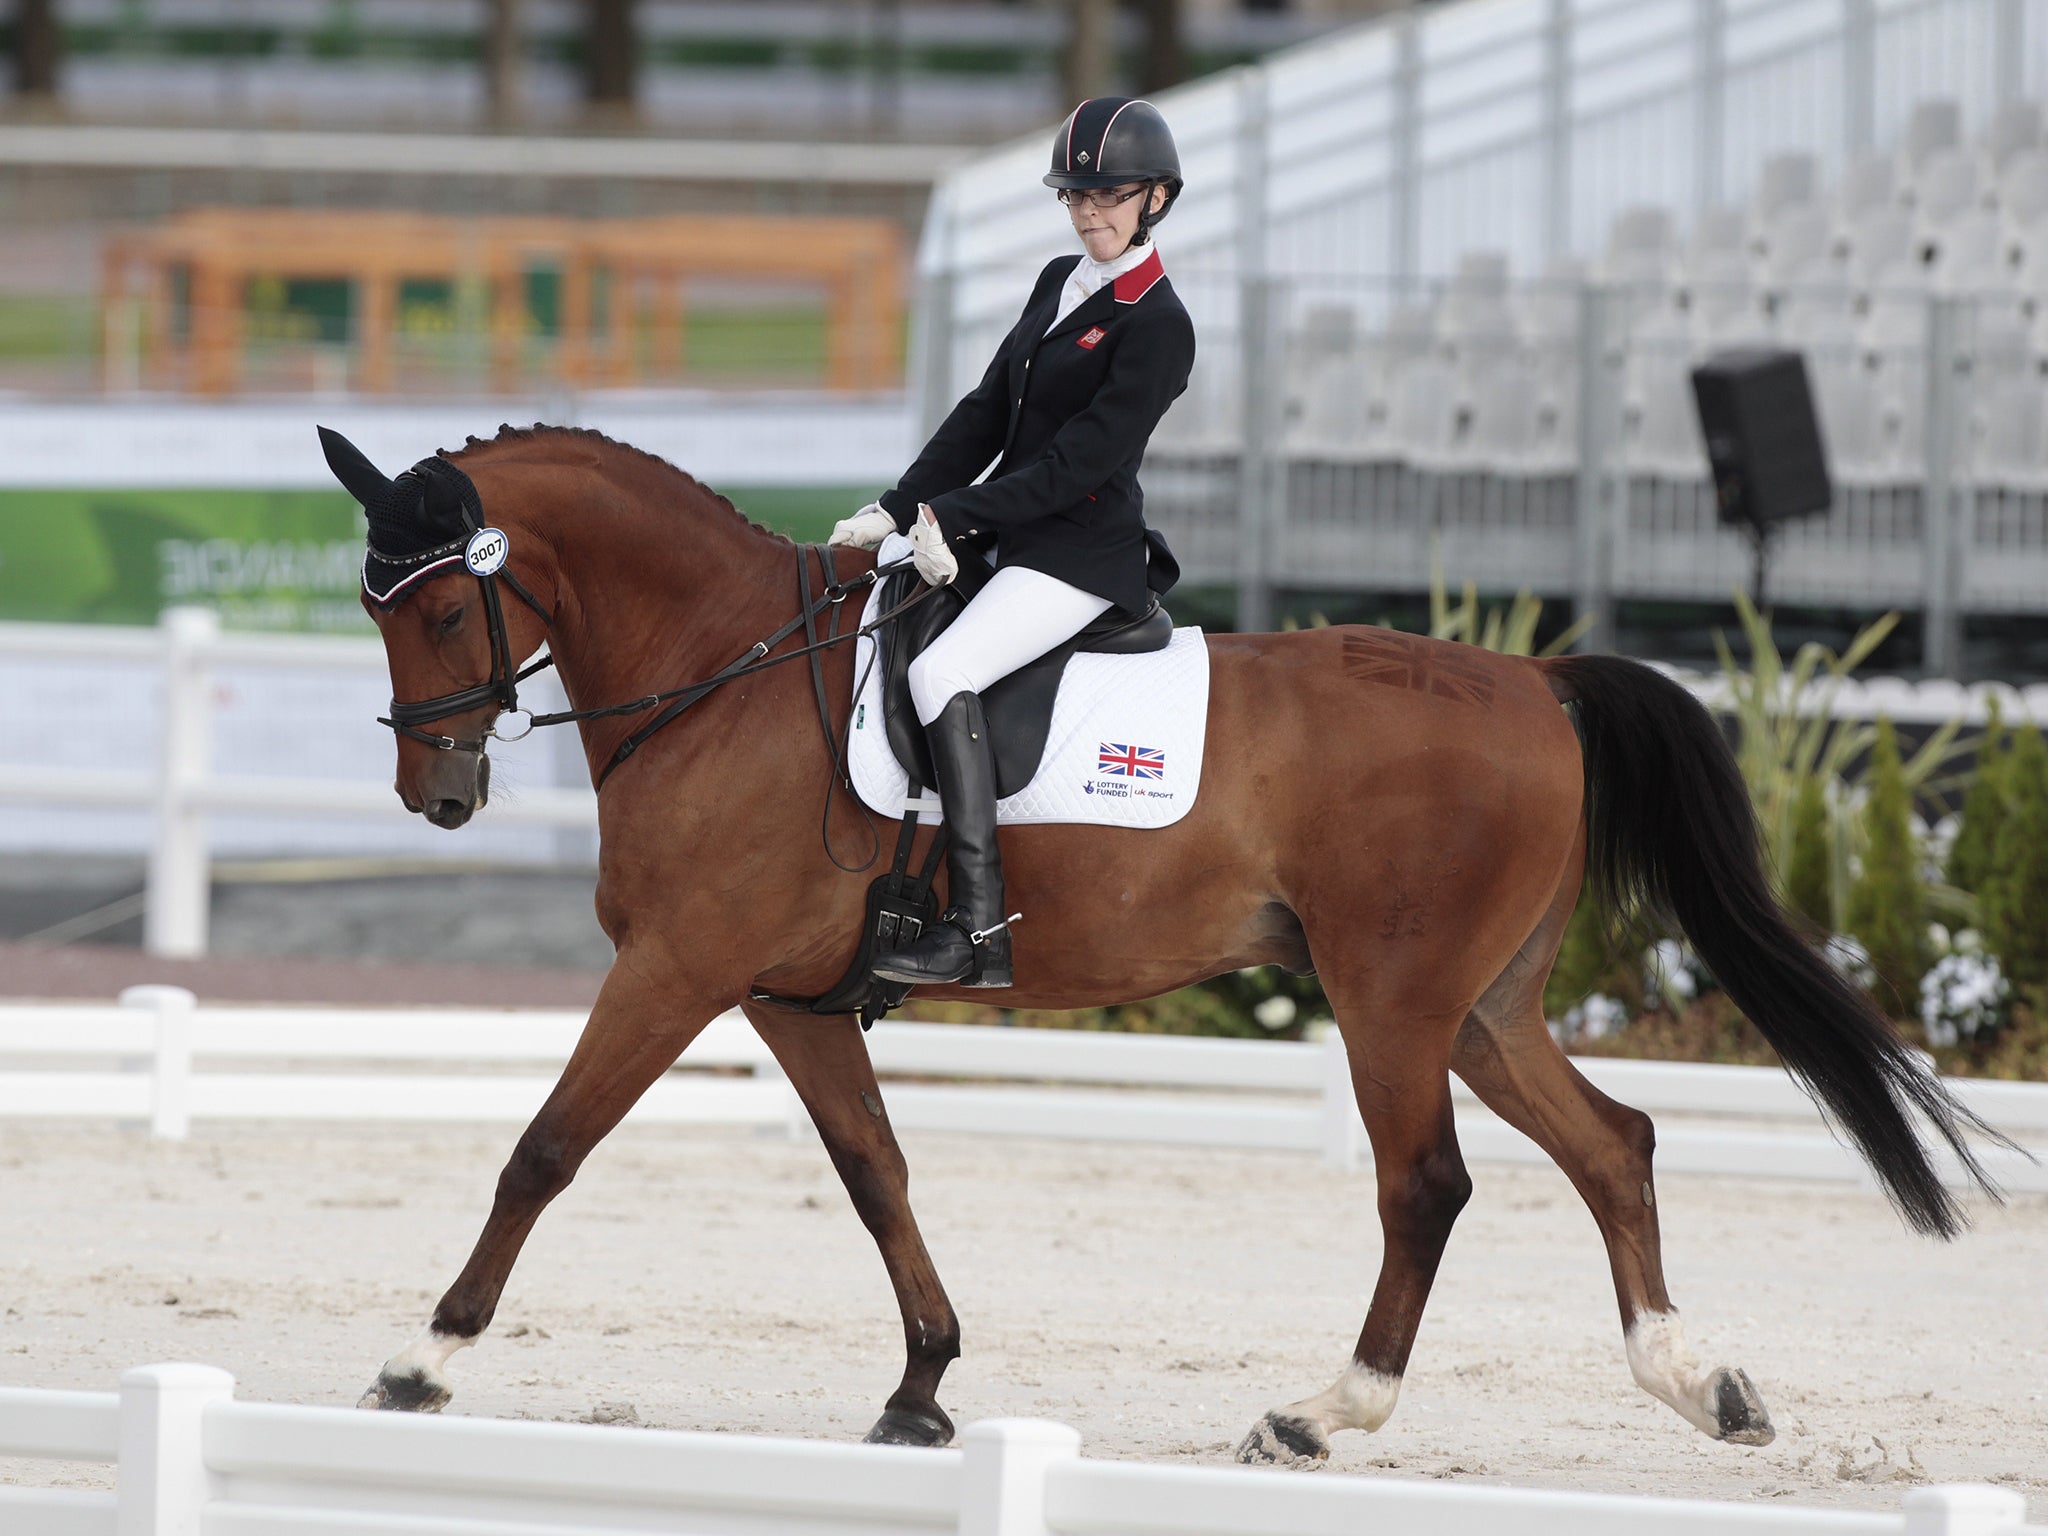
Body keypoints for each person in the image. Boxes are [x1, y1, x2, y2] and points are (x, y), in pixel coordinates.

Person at [828, 97, 1196, 990]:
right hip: (1009, 536)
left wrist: (959, 518)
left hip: (1078, 554)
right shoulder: (1057, 281)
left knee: (938, 673)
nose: (1088, 212)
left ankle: (977, 928)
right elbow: (987, 410)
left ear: (1154, 198)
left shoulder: (1159, 325)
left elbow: (1079, 464)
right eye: (1075, 196)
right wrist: (899, 505)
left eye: (1107, 196)